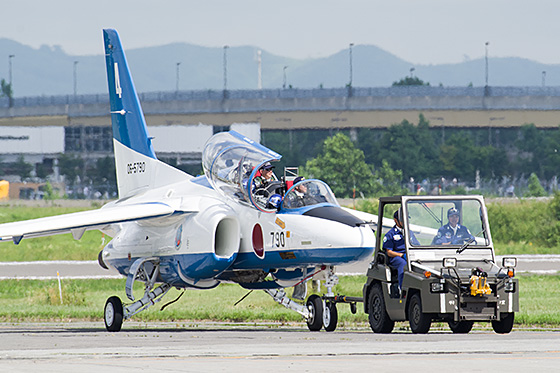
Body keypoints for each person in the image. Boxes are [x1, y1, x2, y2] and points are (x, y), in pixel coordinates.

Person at [383, 208, 419, 290]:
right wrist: (401, 255)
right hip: (396, 257)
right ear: (396, 220)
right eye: (403, 220)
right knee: (403, 265)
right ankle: (402, 288)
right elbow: (389, 252)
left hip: (409, 255)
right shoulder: (390, 234)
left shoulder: (410, 233)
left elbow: (416, 245)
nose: (405, 222)